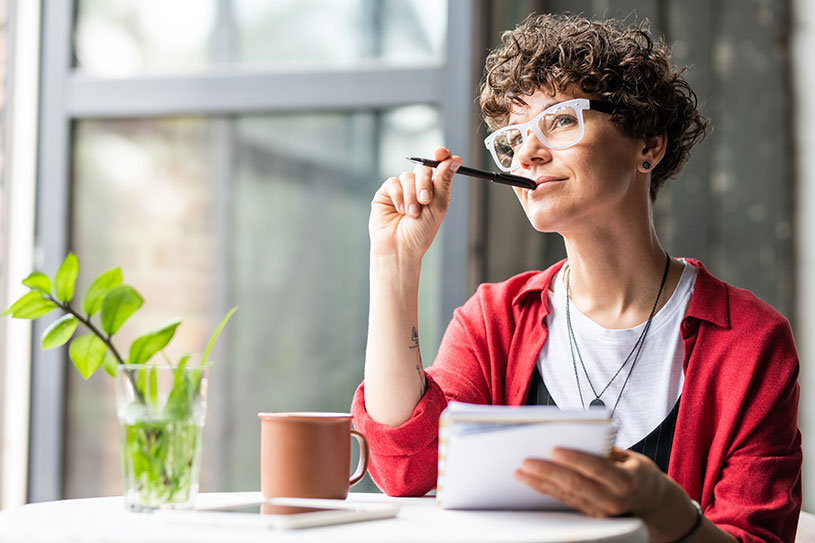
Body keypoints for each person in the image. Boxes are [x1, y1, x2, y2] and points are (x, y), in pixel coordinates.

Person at [351, 13, 801, 543]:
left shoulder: (750, 340)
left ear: (648, 145)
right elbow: (406, 469)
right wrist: (395, 264)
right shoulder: (494, 319)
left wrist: (665, 510)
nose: (528, 153)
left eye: (560, 121)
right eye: (513, 137)